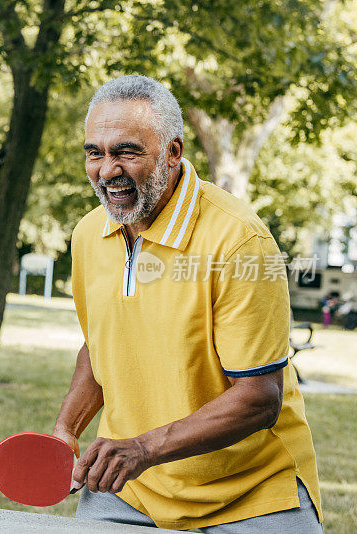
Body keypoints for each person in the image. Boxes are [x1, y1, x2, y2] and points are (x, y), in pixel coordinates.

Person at [53, 75, 323, 532]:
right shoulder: (87, 235)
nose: (106, 169)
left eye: (126, 152)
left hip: (251, 491)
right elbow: (99, 345)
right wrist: (66, 429)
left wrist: (142, 449)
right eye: (94, 152)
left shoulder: (241, 241)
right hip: (132, 490)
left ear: (173, 152)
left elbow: (259, 398)